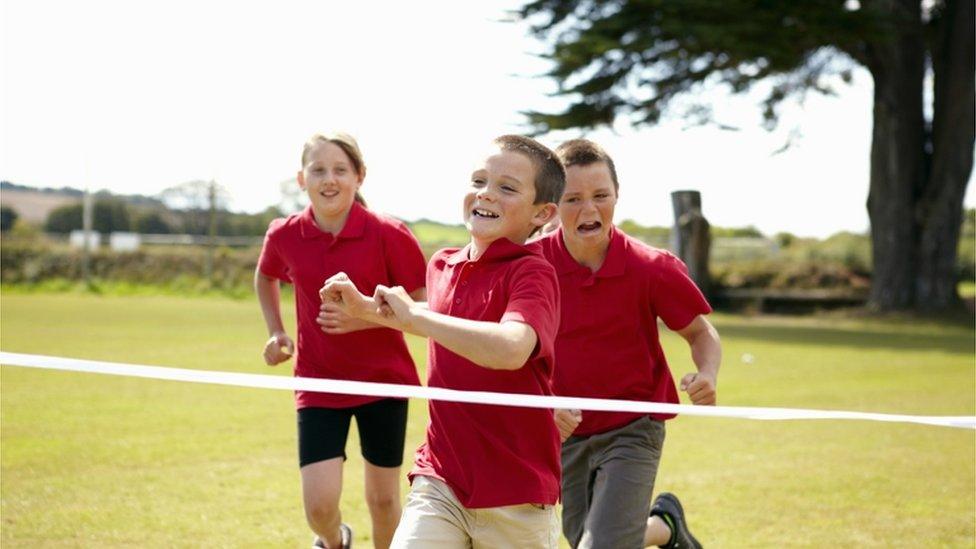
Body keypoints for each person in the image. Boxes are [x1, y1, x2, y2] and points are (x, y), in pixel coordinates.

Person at [320, 135, 566, 549]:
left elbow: (510, 349)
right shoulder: (442, 264)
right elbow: (440, 326)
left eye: (507, 187)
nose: (485, 193)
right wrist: (365, 310)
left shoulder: (532, 274)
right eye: (479, 180)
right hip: (441, 479)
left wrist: (417, 315)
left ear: (542, 213)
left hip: (516, 496)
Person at [539, 139, 721, 549]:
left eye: (601, 196)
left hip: (635, 427)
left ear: (617, 196)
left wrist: (707, 372)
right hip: (565, 432)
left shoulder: (652, 267)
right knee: (584, 536)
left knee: (600, 544)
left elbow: (700, 332)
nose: (590, 210)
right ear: (551, 204)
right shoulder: (531, 267)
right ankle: (667, 528)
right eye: (573, 199)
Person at [255, 132, 427, 549]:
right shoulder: (284, 235)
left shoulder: (389, 233)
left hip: (383, 382)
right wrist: (277, 331)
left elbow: (423, 303)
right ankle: (336, 542)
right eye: (318, 170)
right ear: (302, 179)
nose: (328, 179)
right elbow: (265, 276)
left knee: (384, 499)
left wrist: (366, 318)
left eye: (340, 170)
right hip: (319, 384)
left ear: (359, 177)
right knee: (318, 508)